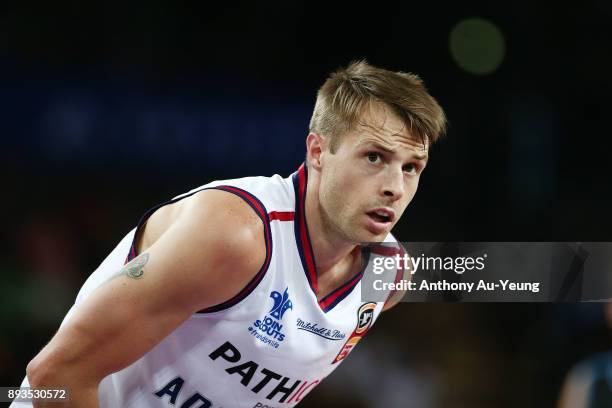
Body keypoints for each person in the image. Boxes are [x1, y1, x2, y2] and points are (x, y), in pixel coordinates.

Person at [13, 60, 446, 407]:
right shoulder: (235, 236)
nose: (395, 186)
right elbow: (54, 376)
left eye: (411, 167)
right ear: (318, 152)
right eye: (374, 157)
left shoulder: (387, 278)